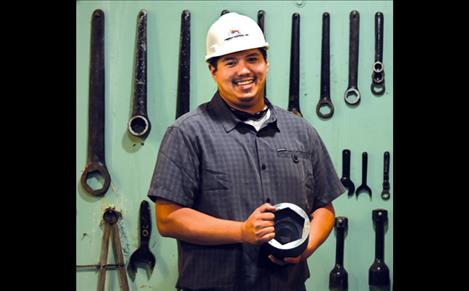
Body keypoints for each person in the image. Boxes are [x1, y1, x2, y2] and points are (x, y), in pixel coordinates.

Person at [147, 12, 345, 291]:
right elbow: (168, 219)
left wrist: (305, 248)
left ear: (265, 63)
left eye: (252, 58)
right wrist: (241, 231)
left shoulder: (301, 131)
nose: (243, 71)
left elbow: (324, 208)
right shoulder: (187, 133)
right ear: (213, 70)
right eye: (230, 62)